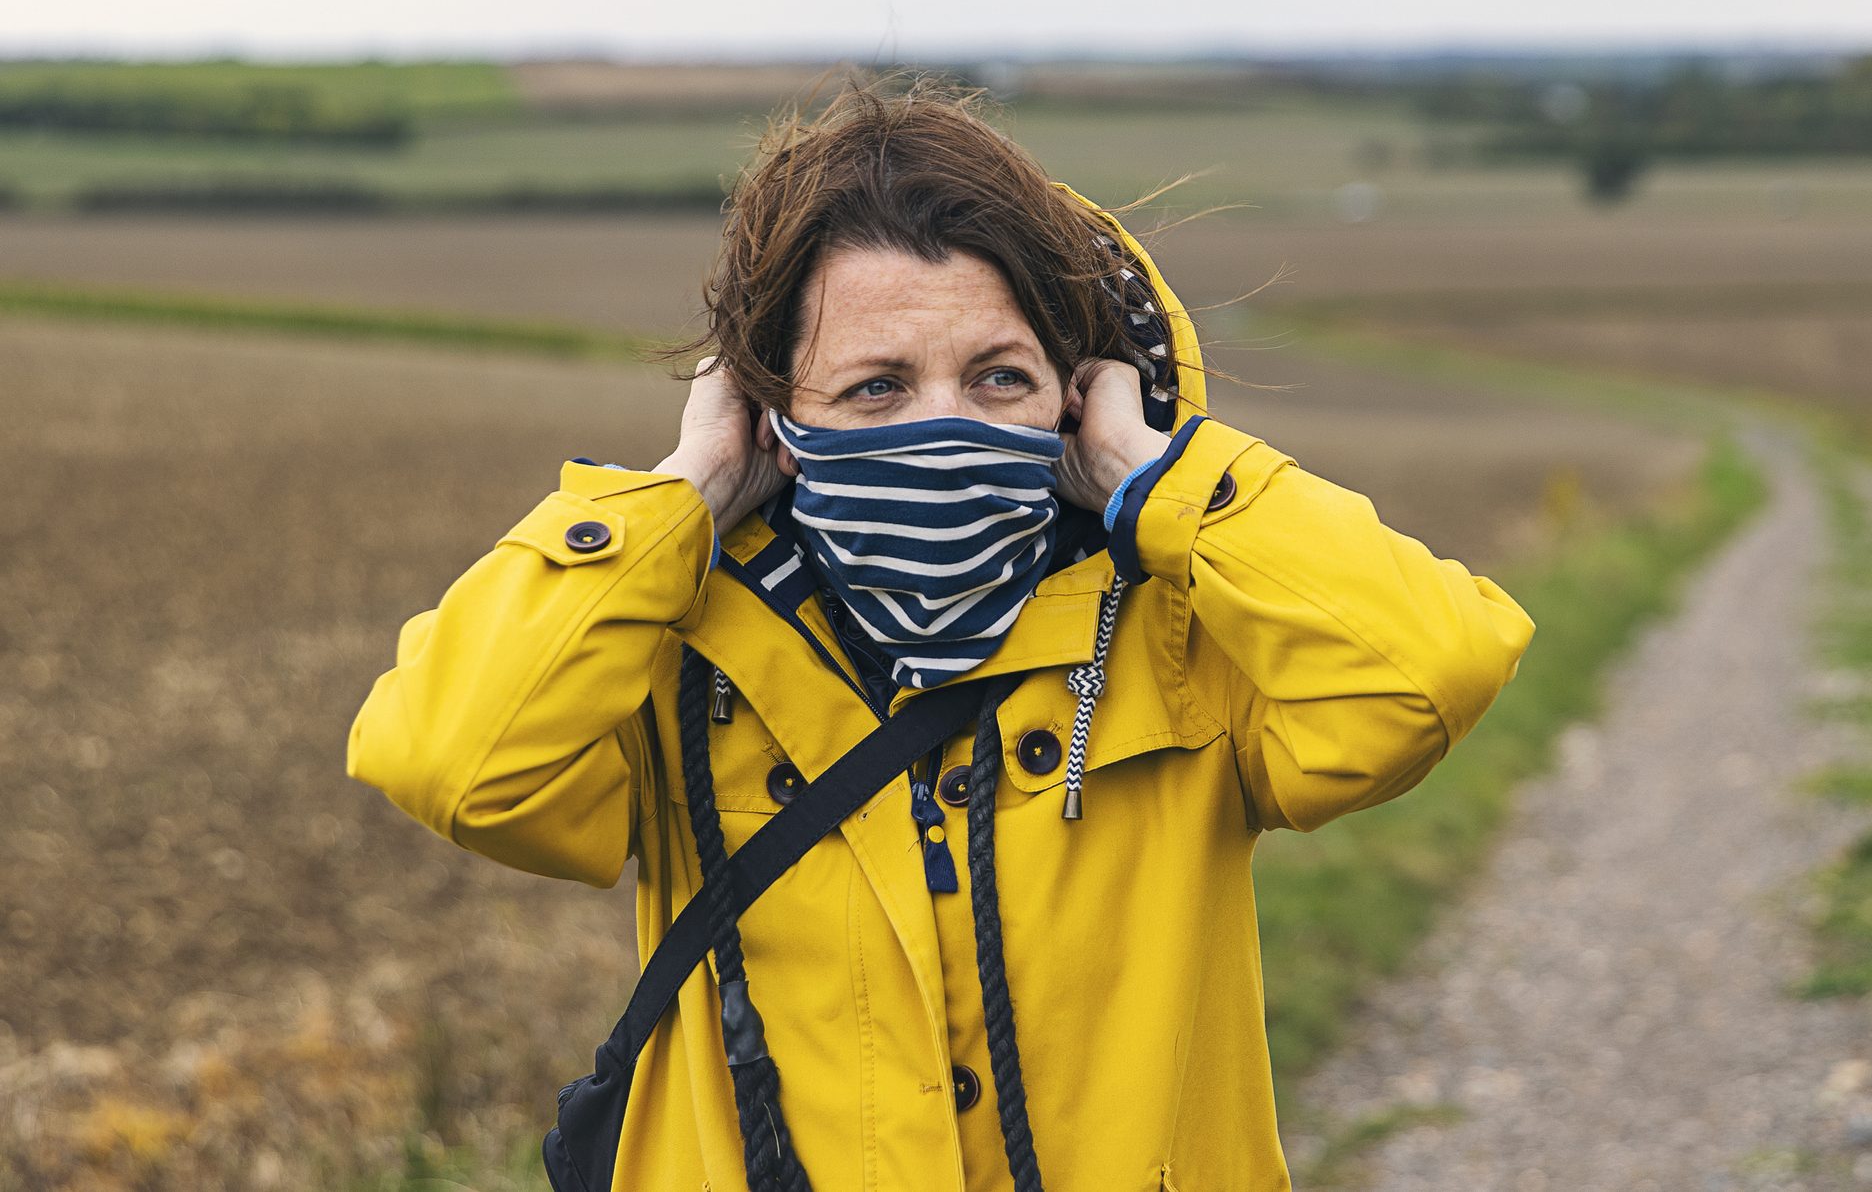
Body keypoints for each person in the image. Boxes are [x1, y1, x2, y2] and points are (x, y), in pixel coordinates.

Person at [347, 76, 1535, 1192]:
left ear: (1077, 392)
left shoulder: (1178, 641)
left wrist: (1152, 479)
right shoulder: (680, 660)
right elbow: (453, 762)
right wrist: (680, 498)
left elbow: (1424, 671)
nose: (943, 430)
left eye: (997, 378)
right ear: (773, 418)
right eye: (875, 388)